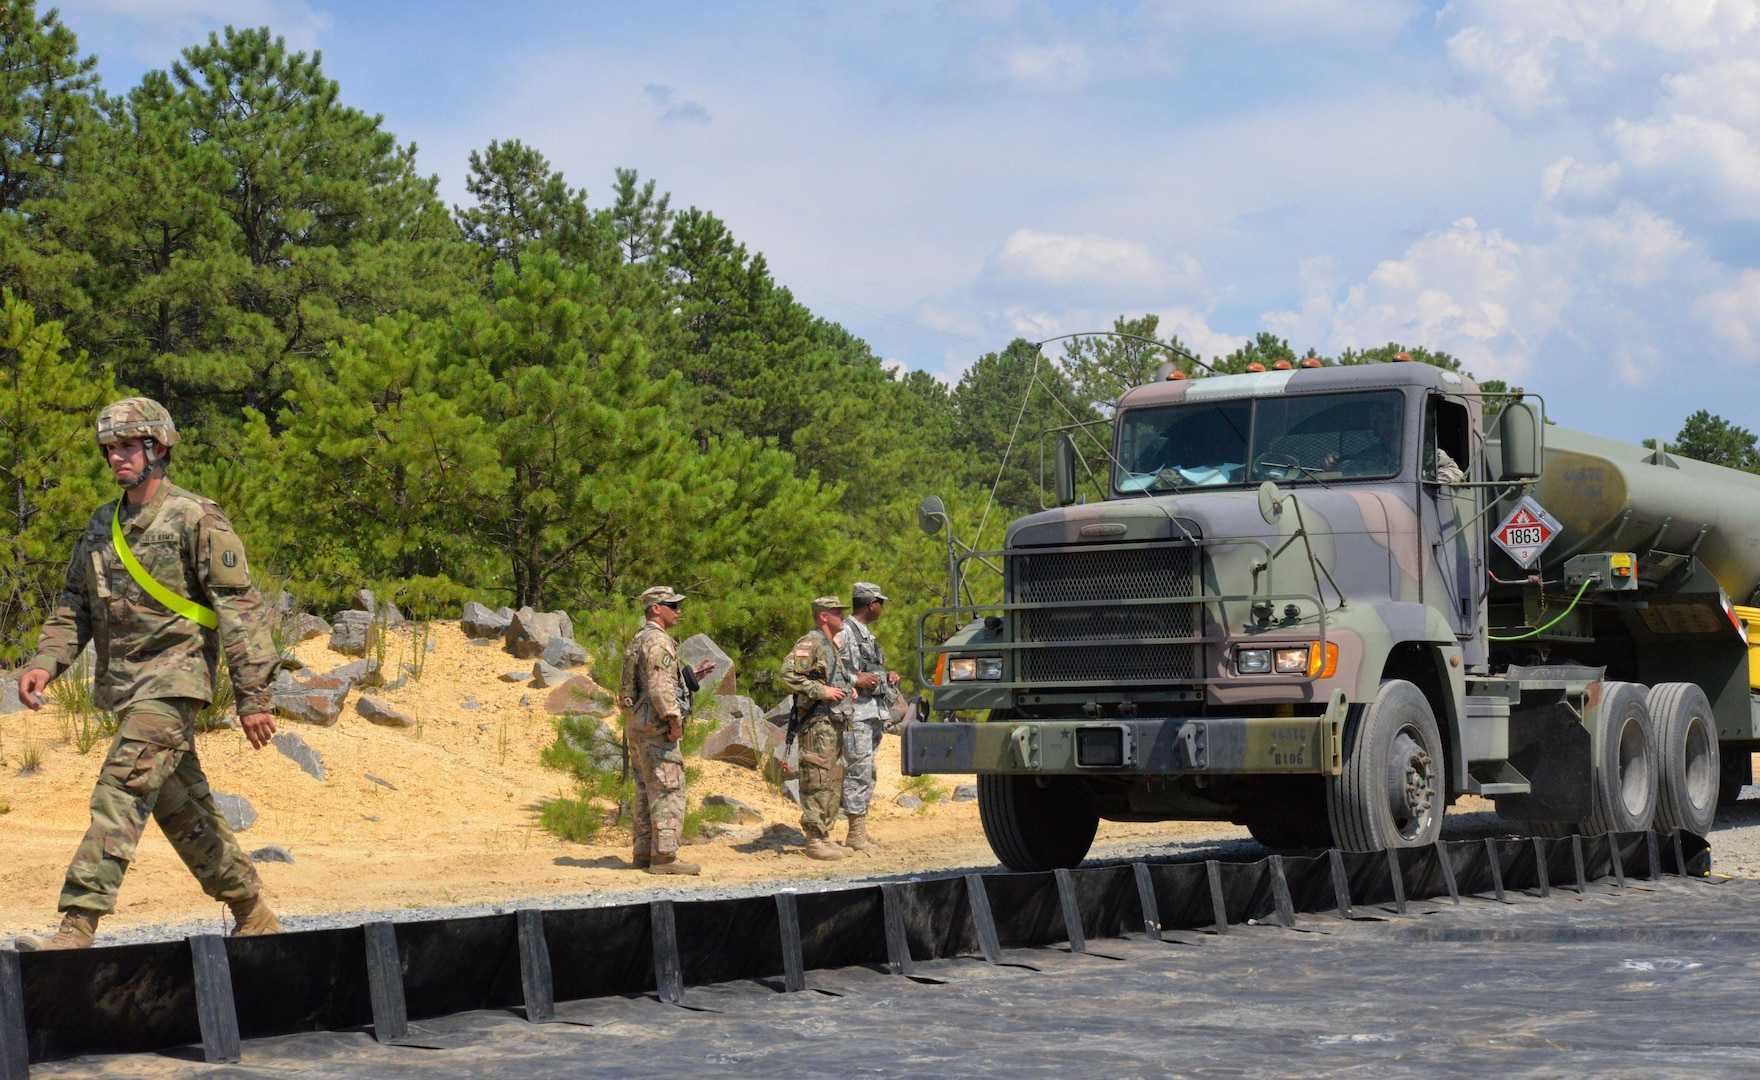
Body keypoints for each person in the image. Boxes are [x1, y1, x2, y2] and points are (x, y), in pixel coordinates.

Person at [12, 398, 283, 950]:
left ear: (158, 449)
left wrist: (253, 696)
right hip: (125, 690)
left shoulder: (195, 517)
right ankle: (253, 911)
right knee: (184, 808)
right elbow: (74, 603)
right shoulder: (101, 524)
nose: (117, 457)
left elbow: (241, 610)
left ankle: (78, 924)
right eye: (110, 448)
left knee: (121, 787)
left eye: (128, 446)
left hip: (175, 683)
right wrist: (46, 662)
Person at [618, 586, 714, 875]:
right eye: (672, 605)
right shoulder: (659, 642)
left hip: (638, 728)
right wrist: (675, 721)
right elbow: (660, 690)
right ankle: (665, 857)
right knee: (668, 790)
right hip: (657, 730)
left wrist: (690, 677)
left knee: (646, 791)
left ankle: (644, 852)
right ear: (656, 608)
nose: (678, 610)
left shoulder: (639, 639)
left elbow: (650, 683)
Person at [779, 596, 856, 861]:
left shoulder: (830, 645)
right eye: (837, 612)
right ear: (823, 616)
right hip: (816, 723)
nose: (842, 616)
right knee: (817, 778)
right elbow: (788, 674)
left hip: (832, 722)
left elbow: (831, 677)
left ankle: (824, 835)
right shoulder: (809, 643)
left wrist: (847, 691)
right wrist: (821, 691)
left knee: (833, 779)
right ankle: (813, 839)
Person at [837, 582, 899, 851]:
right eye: (880, 602)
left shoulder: (866, 635)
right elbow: (831, 669)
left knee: (868, 770)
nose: (882, 608)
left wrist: (888, 676)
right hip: (856, 714)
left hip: (873, 712)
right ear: (871, 603)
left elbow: (868, 669)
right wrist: (855, 679)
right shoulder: (845, 633)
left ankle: (860, 827)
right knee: (858, 770)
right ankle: (854, 832)